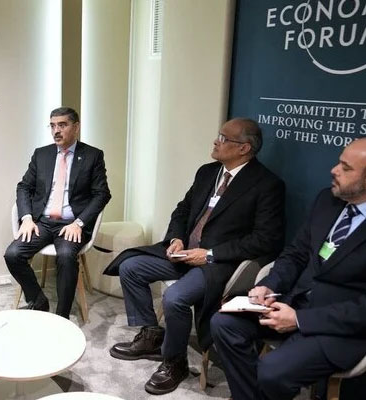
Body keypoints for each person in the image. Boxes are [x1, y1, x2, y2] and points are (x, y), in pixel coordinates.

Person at [103, 118, 286, 395]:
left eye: (223, 138)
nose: (216, 141)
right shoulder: (207, 172)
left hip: (219, 263)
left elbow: (266, 239)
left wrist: (210, 254)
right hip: (183, 252)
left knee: (175, 298)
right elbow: (182, 210)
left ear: (244, 148)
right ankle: (152, 335)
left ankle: (174, 362)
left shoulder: (267, 185)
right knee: (131, 266)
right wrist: (176, 238)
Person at [211, 138, 366, 400]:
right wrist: (269, 285)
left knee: (271, 372)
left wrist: (299, 320)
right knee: (224, 323)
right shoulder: (327, 200)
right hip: (294, 301)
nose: (334, 170)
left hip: (339, 327)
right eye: (338, 162)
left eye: (346, 168)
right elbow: (296, 253)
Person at [4, 107, 111, 318]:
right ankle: (38, 300)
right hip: (42, 223)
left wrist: (79, 223)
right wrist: (27, 218)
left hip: (71, 224)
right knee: (13, 255)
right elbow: (24, 187)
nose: (56, 131)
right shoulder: (41, 154)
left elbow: (102, 194)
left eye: (62, 125)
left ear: (76, 127)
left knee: (66, 256)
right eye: (52, 126)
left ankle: (62, 316)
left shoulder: (92, 156)